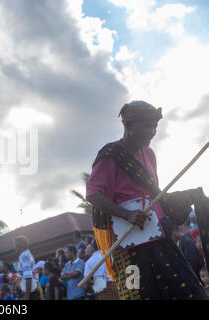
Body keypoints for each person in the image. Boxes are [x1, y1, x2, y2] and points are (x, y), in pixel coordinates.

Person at [86, 100, 208, 300]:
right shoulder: (110, 155)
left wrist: (167, 217)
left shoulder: (150, 155)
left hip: (159, 237)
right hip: (128, 245)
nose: (153, 131)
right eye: (148, 126)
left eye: (155, 126)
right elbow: (93, 194)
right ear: (128, 125)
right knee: (140, 295)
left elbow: (154, 195)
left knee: (188, 292)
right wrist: (126, 213)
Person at [14, 235, 41, 300]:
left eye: (16, 245)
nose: (15, 247)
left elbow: (28, 277)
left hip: (31, 294)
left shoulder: (24, 256)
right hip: (33, 291)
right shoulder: (28, 254)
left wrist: (27, 297)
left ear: (20, 245)